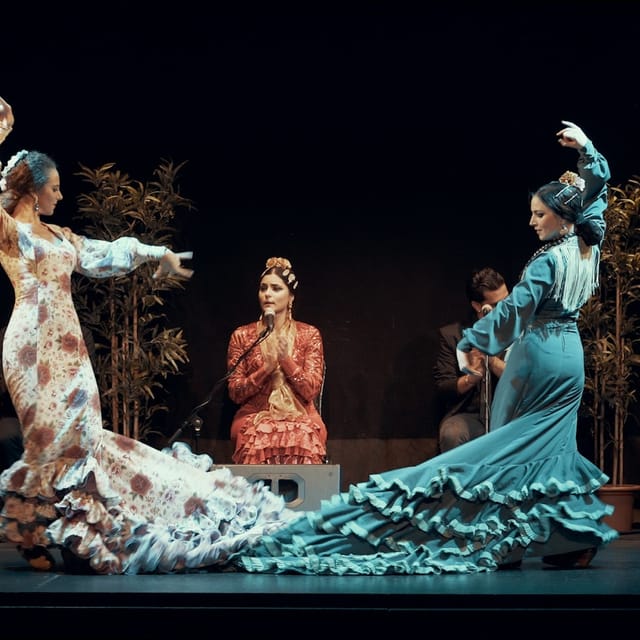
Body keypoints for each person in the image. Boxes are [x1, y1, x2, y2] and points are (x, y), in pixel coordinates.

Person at [230, 120, 619, 575]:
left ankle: (503, 534)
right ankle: (568, 536)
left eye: (538, 213)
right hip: (570, 358)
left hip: (536, 356)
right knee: (551, 446)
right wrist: (588, 149)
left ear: (561, 215)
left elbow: (513, 313)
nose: (531, 221)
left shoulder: (550, 260)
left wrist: (474, 338)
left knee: (504, 450)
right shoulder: (588, 243)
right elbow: (596, 190)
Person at [0, 95, 300, 574]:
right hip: (30, 348)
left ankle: (75, 531)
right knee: (44, 441)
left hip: (68, 346)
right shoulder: (10, 233)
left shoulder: (63, 239)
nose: (60, 196)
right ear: (33, 191)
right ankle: (36, 533)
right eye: (54, 189)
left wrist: (154, 251)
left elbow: (106, 253)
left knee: (81, 437)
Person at [227, 256, 328, 465]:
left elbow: (311, 390)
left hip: (300, 414)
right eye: (263, 288)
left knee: (303, 433)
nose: (268, 294)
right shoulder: (242, 335)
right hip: (254, 414)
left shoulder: (309, 334)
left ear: (290, 297)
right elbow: (235, 392)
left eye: (275, 288)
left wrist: (286, 362)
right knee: (255, 435)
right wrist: (266, 369)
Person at [434, 267, 509, 452]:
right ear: (478, 306)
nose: (506, 308)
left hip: (510, 414)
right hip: (469, 414)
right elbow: (444, 386)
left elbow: (525, 378)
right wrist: (471, 378)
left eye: (508, 300)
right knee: (452, 433)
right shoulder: (454, 336)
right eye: (498, 304)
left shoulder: (519, 332)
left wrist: (491, 361)